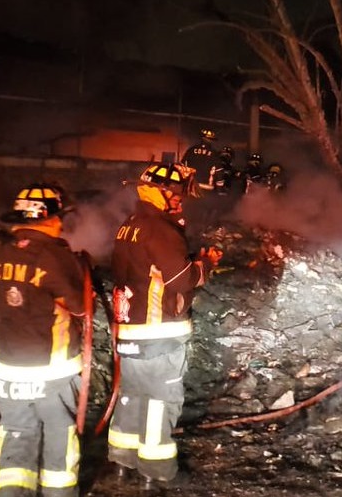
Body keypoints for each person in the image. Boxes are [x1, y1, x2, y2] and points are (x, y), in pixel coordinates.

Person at [108, 162, 222, 488]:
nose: (180, 202)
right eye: (177, 195)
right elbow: (182, 280)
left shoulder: (128, 225)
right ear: (162, 191)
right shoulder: (160, 230)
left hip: (129, 330)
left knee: (131, 396)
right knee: (160, 400)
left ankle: (121, 463)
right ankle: (154, 472)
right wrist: (207, 263)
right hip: (159, 334)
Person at [0, 183, 91, 497]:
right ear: (49, 219)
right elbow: (80, 306)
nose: (61, 223)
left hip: (8, 368)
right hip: (52, 370)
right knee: (59, 434)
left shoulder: (3, 252)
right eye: (58, 217)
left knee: (16, 434)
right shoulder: (53, 255)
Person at [182, 128, 220, 196]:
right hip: (205, 187)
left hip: (190, 185)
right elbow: (218, 171)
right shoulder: (215, 154)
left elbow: (183, 165)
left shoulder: (191, 150)